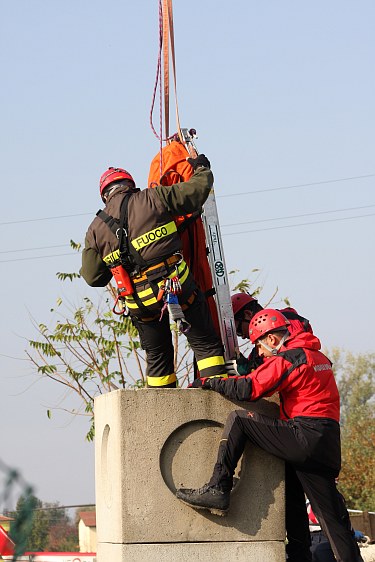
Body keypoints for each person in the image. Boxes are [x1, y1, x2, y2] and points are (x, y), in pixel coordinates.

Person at [176, 309, 363, 562]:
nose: (260, 353)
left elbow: (249, 388)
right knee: (330, 521)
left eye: (259, 346)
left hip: (304, 436)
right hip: (327, 444)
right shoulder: (317, 356)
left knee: (239, 420)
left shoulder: (289, 358)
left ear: (272, 340)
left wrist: (211, 382)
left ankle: (218, 487)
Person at [80, 156, 227, 388]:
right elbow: (197, 191)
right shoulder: (153, 197)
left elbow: (93, 277)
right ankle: (220, 391)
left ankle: (164, 410)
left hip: (139, 302)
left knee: (157, 358)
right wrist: (201, 168)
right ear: (130, 185)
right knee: (206, 345)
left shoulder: (95, 229)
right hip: (176, 287)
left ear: (105, 195)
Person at [231, 292, 312, 373]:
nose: (243, 337)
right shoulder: (257, 352)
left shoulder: (287, 325)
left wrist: (250, 373)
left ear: (248, 314)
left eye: (239, 331)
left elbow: (290, 362)